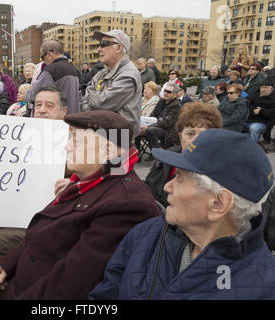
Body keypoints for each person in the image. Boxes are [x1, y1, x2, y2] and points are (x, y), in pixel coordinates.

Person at [0, 110, 160, 300]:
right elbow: (44, 230)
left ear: (107, 151)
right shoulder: (91, 179)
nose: (66, 147)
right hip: (26, 277)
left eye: (76, 141)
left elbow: (68, 286)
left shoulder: (126, 205)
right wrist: (9, 261)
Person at [90, 128, 275, 300]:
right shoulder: (145, 233)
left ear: (218, 203)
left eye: (179, 178)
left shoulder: (263, 288)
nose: (166, 186)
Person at [0, 86, 69, 300]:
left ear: (64, 111)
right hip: (14, 210)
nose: (42, 110)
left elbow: (108, 176)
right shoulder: (20, 135)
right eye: (38, 105)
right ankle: (0, 271)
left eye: (49, 105)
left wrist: (74, 185)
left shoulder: (76, 140)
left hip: (44, 222)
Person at [145, 102, 222, 207]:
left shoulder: (218, 172)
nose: (196, 141)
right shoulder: (165, 160)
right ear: (180, 136)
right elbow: (149, 191)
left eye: (204, 135)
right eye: (190, 134)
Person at [81, 30, 142, 141]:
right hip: (99, 135)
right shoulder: (101, 74)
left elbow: (102, 103)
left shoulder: (129, 74)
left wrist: (93, 100)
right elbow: (84, 102)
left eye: (104, 44)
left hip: (119, 139)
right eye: (99, 45)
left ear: (118, 48)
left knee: (115, 160)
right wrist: (94, 102)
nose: (99, 49)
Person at [25, 39, 80, 115]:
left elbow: (34, 95)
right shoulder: (73, 69)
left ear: (49, 54)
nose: (43, 61)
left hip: (55, 120)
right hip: (72, 119)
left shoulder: (50, 70)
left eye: (42, 58)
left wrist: (28, 91)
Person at [145, 83, 181, 152]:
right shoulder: (161, 101)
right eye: (165, 90)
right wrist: (146, 123)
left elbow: (167, 123)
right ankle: (137, 152)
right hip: (157, 125)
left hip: (169, 132)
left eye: (169, 92)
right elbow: (153, 115)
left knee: (150, 130)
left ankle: (156, 152)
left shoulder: (176, 106)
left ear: (175, 94)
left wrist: (149, 126)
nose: (165, 93)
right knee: (138, 127)